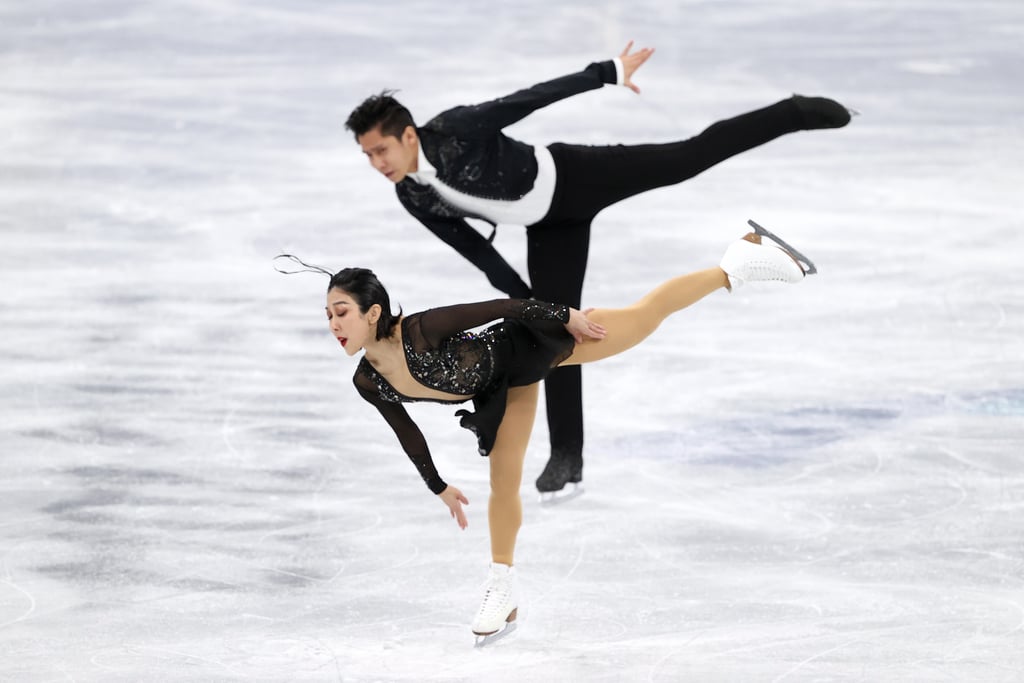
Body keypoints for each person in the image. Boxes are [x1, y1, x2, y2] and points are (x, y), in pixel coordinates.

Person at [343, 42, 851, 500]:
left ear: (408, 135)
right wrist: (530, 303)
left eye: (381, 150)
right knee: (554, 335)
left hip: (577, 176)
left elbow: (526, 100)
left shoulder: (455, 130)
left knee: (686, 159)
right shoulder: (411, 193)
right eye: (367, 155)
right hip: (549, 230)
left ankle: (793, 111)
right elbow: (475, 249)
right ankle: (568, 455)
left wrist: (605, 71)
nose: (377, 163)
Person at [282, 220, 815, 643]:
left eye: (342, 312)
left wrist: (567, 316)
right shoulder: (367, 380)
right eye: (328, 314)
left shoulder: (422, 330)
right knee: (503, 483)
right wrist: (437, 486)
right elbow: (406, 432)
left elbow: (503, 306)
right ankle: (501, 587)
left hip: (534, 341)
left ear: (373, 312)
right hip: (500, 390)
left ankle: (736, 264)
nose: (333, 324)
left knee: (644, 318)